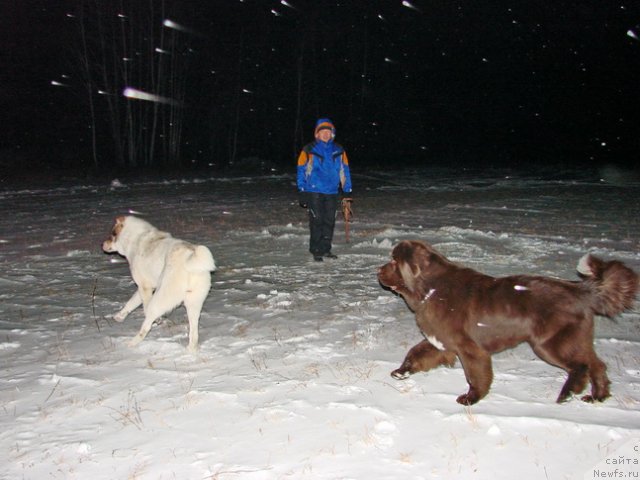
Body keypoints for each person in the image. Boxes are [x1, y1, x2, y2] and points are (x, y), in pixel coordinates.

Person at [297, 118, 353, 262]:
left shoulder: (339, 150)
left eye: (328, 131)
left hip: (332, 192)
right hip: (314, 191)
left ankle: (326, 249)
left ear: (332, 133)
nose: (326, 134)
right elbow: (301, 170)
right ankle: (316, 250)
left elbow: (344, 170)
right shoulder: (308, 149)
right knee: (317, 220)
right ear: (317, 134)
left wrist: (347, 190)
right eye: (323, 131)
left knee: (329, 221)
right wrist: (302, 190)